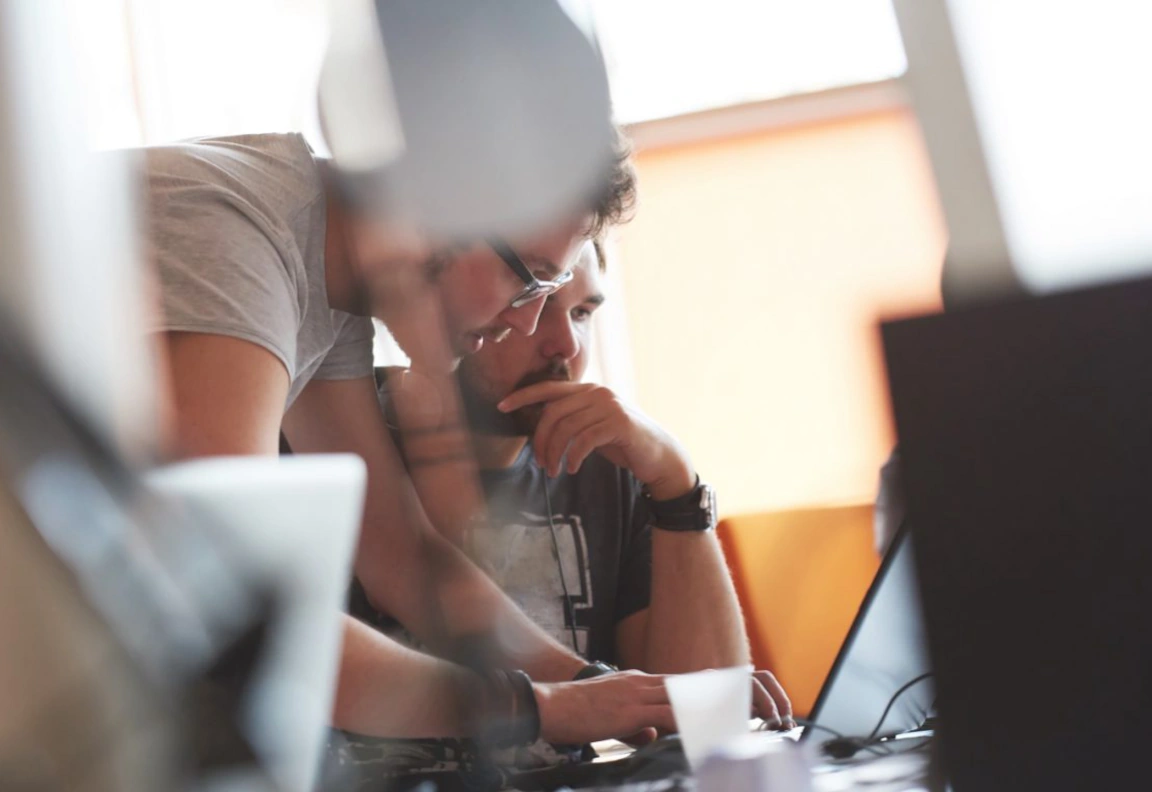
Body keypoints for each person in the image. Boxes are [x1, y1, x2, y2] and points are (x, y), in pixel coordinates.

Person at [143, 128, 677, 747]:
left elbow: (397, 550)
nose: (526, 322)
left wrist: (600, 686)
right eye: (528, 280)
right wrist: (540, 708)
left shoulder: (329, 271)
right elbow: (236, 600)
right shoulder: (231, 234)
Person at [350, 238, 794, 782]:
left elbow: (705, 730)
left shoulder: (609, 469)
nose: (564, 345)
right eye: (527, 301)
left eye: (582, 312)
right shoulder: (333, 438)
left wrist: (676, 483)